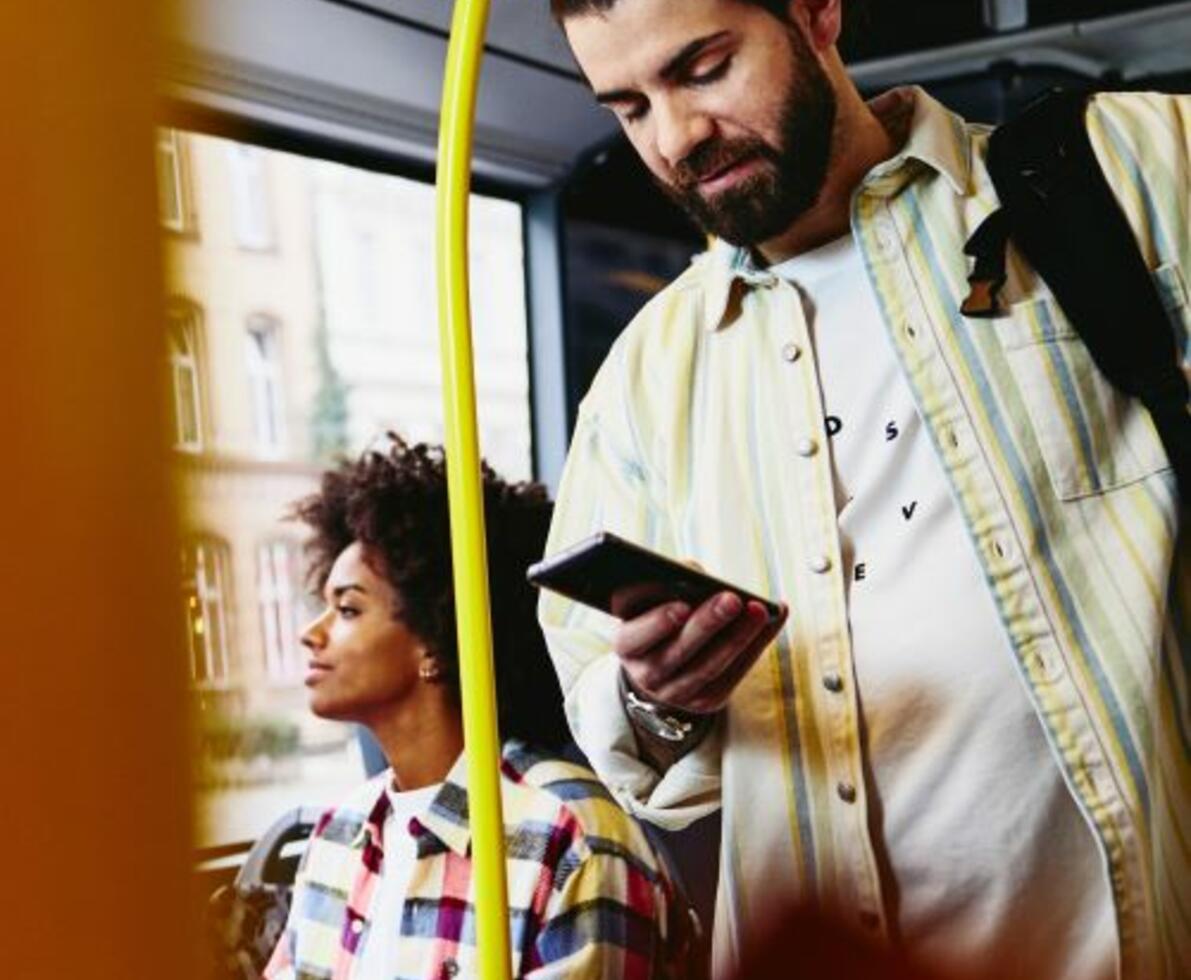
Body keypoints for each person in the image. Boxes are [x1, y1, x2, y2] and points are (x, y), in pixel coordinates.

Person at [537, 1, 1189, 978]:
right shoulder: (643, 383)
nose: (675, 138)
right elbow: (612, 713)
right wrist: (658, 696)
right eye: (629, 108)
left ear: (816, 11)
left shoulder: (1135, 174)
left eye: (705, 69)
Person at [264, 436, 692, 978]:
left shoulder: (572, 840)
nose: (311, 634)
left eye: (347, 609)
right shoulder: (336, 837)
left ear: (437, 640)